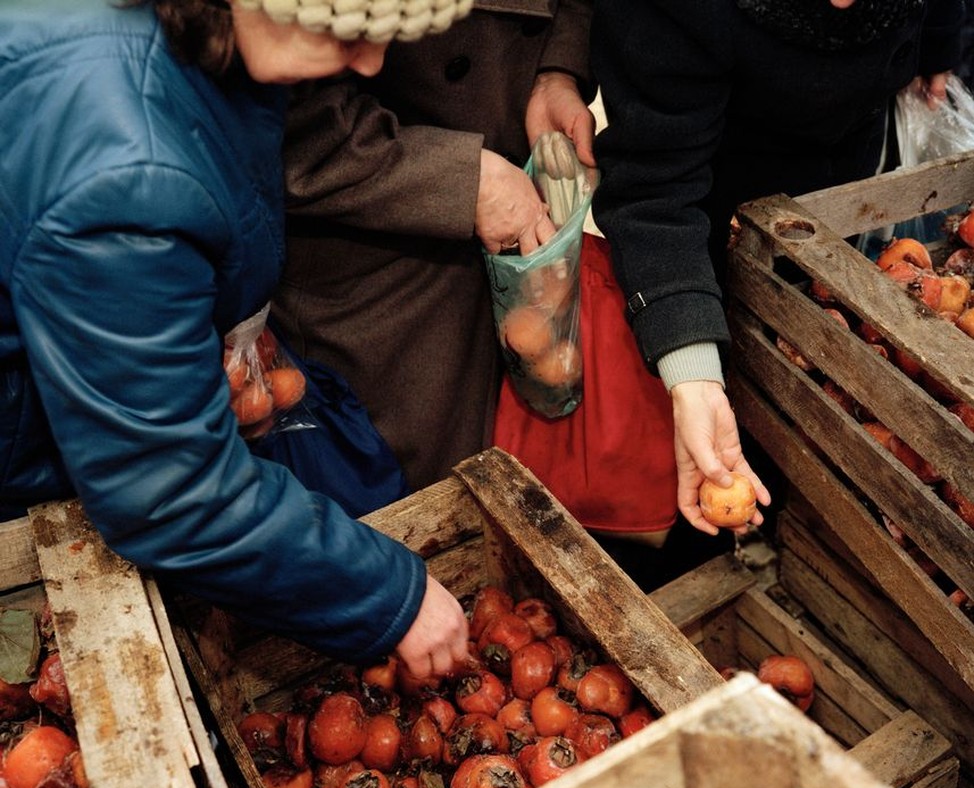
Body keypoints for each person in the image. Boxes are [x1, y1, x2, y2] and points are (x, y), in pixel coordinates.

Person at [0, 0, 476, 678]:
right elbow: (165, 489)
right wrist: (390, 598)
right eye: (341, 27)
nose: (370, 61)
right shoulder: (122, 163)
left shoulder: (199, 47)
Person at [590, 0, 962, 538]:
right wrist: (692, 373)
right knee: (727, 396)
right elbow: (654, 187)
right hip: (722, 191)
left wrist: (938, 44)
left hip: (843, 164)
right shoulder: (677, 17)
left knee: (811, 352)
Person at [274, 1, 596, 492]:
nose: (371, 58)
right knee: (413, 509)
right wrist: (463, 180)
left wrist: (557, 67)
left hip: (514, 160)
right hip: (379, 246)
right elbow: (288, 121)